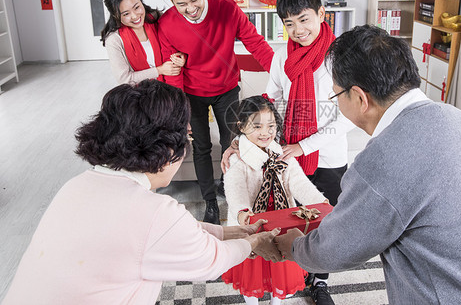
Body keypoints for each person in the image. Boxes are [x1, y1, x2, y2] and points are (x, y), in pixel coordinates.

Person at [275, 25, 461, 304]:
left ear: (361, 98)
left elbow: (335, 250)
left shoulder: (384, 158)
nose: (336, 105)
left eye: (336, 96)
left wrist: (295, 247)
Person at [2, 80, 282, 305]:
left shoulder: (76, 185)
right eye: (188, 136)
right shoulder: (156, 213)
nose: (188, 142)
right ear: (168, 148)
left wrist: (236, 231)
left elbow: (160, 233)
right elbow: (212, 261)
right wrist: (255, 243)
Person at [222, 0, 355, 305]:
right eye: (289, 23)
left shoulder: (342, 58)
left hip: (326, 155)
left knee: (324, 220)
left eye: (304, 19)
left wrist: (305, 146)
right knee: (289, 217)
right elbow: (271, 102)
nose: (298, 30)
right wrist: (245, 141)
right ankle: (292, 269)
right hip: (283, 156)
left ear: (322, 14)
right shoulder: (282, 56)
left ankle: (320, 282)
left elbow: (349, 116)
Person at [158, 0, 274, 225]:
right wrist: (180, 110)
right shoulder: (166, 24)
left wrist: (279, 73)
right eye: (181, 4)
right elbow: (173, 72)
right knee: (201, 147)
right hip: (192, 93)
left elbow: (254, 42)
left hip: (227, 88)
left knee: (231, 142)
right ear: (170, 0)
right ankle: (209, 201)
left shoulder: (227, 7)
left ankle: (228, 187)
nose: (190, 8)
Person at [221, 95, 328, 305]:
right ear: (241, 126)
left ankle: (275, 302)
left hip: (282, 224)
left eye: (271, 126)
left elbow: (299, 184)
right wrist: (242, 212)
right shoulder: (237, 158)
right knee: (251, 273)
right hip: (251, 224)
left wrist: (320, 202)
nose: (265, 132)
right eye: (257, 126)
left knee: (280, 264)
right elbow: (235, 189)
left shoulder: (281, 154)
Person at [101, 0, 185, 85]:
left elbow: (177, 46)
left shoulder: (157, 18)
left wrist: (181, 56)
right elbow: (124, 79)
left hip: (170, 87)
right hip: (139, 95)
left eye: (136, 7)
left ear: (141, 1)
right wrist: (159, 70)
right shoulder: (114, 40)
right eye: (126, 14)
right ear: (116, 16)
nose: (135, 16)